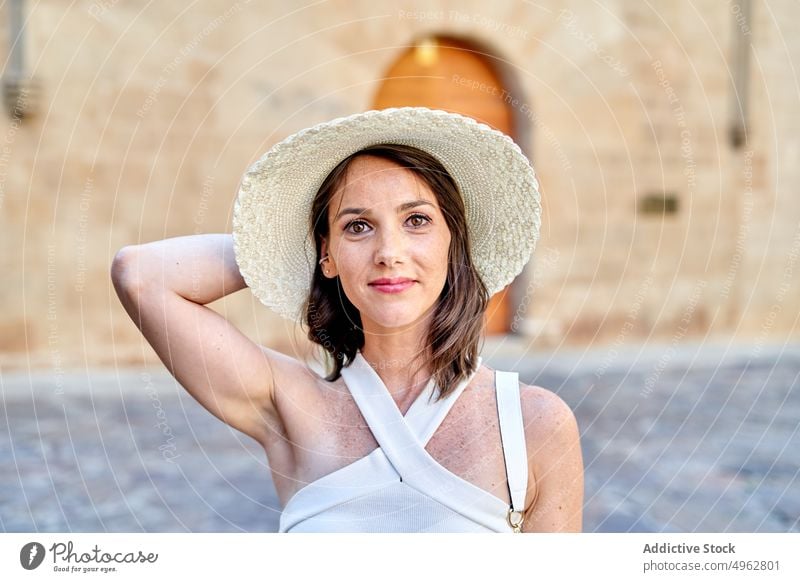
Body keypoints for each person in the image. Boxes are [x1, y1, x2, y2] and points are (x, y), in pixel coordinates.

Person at [111, 107, 583, 533]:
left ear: (452, 242)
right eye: (357, 226)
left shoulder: (533, 423)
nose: (388, 253)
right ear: (327, 254)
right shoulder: (289, 405)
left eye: (416, 220)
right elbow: (141, 276)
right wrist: (280, 252)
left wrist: (336, 245)